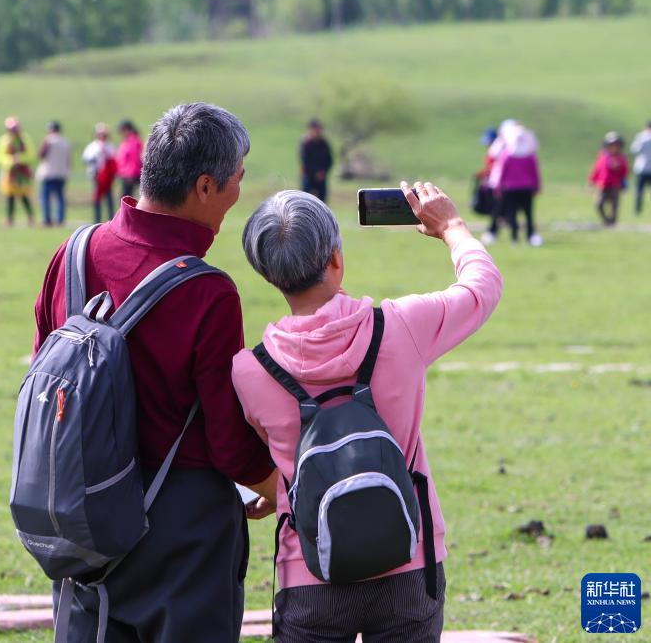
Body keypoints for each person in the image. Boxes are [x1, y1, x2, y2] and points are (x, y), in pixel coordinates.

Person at [34, 103, 278, 642]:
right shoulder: (208, 291)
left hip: (80, 515)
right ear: (206, 186)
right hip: (181, 532)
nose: (240, 194)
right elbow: (229, 444)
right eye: (238, 179)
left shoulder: (71, 254)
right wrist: (281, 488)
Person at [233, 184, 502, 642]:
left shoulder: (249, 371)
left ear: (268, 275)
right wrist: (452, 227)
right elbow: (483, 287)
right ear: (336, 259)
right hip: (410, 560)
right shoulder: (403, 325)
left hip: (310, 573)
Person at [483, 119, 542, 247]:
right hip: (520, 187)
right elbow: (535, 172)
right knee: (519, 213)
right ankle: (522, 236)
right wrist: (537, 186)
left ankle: (516, 237)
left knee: (514, 213)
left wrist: (498, 185)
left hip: (510, 187)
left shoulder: (509, 154)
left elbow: (501, 169)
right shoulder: (525, 154)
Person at [0, 116, 36, 227]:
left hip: (23, 173)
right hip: (9, 173)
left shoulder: (25, 139)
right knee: (10, 197)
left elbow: (31, 154)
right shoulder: (4, 140)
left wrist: (20, 158)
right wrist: (10, 161)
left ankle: (31, 218)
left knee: (24, 196)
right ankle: (10, 219)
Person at [589, 132, 629, 227]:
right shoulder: (602, 156)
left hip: (615, 185)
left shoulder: (621, 158)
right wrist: (592, 179)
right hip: (603, 184)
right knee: (599, 203)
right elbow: (597, 169)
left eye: (616, 145)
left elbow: (624, 171)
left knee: (614, 205)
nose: (613, 147)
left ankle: (613, 221)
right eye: (611, 145)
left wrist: (619, 171)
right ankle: (606, 220)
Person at [36, 121, 71, 227]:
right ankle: (60, 219)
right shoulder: (65, 142)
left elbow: (41, 155)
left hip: (49, 173)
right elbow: (68, 159)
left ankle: (47, 220)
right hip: (61, 173)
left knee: (46, 198)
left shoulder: (48, 141)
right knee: (60, 198)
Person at [82, 123, 117, 223]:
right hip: (96, 174)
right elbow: (86, 158)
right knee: (97, 197)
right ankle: (97, 219)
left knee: (109, 197)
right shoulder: (92, 146)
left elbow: (114, 159)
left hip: (108, 176)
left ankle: (111, 218)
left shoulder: (110, 146)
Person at [299, 118, 333, 202]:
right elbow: (305, 160)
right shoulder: (306, 143)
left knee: (322, 201)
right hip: (308, 175)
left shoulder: (324, 144)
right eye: (316, 128)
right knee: (305, 199)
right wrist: (316, 172)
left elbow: (329, 160)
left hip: (321, 176)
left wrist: (323, 171)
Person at [115, 119, 143, 200]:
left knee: (126, 199)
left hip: (130, 175)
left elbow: (133, 159)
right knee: (125, 198)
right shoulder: (126, 141)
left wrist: (130, 175)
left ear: (127, 129)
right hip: (125, 174)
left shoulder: (133, 141)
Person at [631, 120, 651, 215]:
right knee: (639, 191)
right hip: (642, 169)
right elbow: (634, 150)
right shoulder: (641, 137)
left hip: (648, 169)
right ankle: (637, 209)